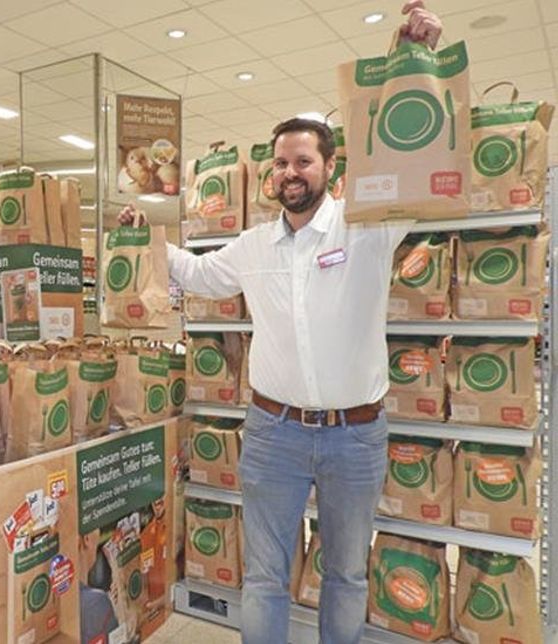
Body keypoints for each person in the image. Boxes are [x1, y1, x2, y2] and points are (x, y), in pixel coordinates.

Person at [120, 4, 443, 641]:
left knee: (347, 573)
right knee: (265, 576)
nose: (290, 173)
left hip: (355, 437)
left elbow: (412, 161)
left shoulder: (369, 228)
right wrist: (148, 239)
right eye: (281, 163)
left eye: (303, 161)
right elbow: (202, 276)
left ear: (330, 169)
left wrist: (414, 60)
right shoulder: (254, 243)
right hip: (273, 433)